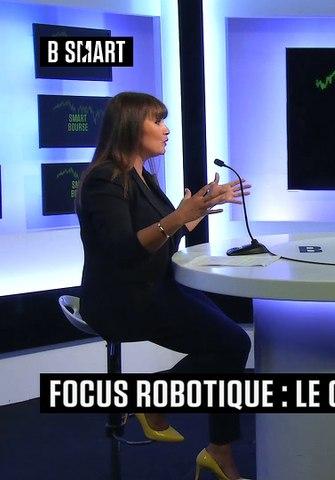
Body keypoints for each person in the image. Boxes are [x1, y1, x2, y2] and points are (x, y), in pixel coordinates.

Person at [76, 92, 253, 480]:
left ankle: (218, 449)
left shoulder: (144, 177)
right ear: (130, 126)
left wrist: (199, 209)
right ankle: (154, 403)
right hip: (122, 299)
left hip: (153, 286)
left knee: (229, 344)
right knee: (232, 345)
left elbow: (162, 240)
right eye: (157, 121)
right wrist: (177, 217)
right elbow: (124, 250)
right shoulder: (105, 180)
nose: (166, 129)